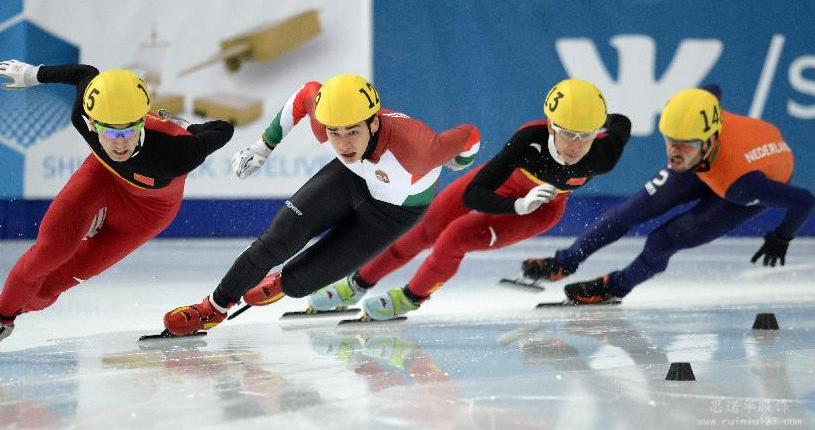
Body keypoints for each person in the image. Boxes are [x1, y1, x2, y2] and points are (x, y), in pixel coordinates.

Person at [0, 60, 235, 353]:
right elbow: (85, 74)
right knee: (50, 251)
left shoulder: (177, 153)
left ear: (141, 122)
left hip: (147, 214)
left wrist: (190, 129)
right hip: (101, 176)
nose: (120, 144)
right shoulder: (81, 117)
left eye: (129, 131)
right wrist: (33, 75)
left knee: (50, 288)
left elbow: (224, 128)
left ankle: (7, 303)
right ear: (92, 124)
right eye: (110, 133)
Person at [163, 74, 481, 334]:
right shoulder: (327, 124)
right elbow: (305, 93)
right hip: (350, 178)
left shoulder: (419, 149)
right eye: (334, 133)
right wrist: (264, 146)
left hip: (392, 213)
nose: (343, 143)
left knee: (300, 283)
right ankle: (214, 307)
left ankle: (283, 282)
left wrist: (460, 161)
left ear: (373, 124)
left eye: (353, 132)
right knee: (274, 243)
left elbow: (469, 135)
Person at [306, 79, 632, 320]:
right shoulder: (528, 141)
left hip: (541, 210)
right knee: (421, 230)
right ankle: (357, 284)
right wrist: (517, 204)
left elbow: (622, 124)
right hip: (503, 193)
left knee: (454, 238)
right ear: (550, 125)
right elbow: (474, 193)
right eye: (567, 133)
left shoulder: (603, 155)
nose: (575, 145)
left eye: (585, 135)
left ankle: (411, 297)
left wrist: (599, 119)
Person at [522, 87, 814, 304]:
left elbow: (804, 200)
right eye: (671, 141)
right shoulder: (694, 133)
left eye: (684, 144)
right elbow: (712, 90)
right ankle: (565, 262)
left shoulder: (742, 186)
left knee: (663, 240)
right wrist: (688, 146)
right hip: (707, 163)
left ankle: (614, 287)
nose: (674, 152)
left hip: (746, 179)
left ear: (709, 140)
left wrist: (782, 237)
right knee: (627, 213)